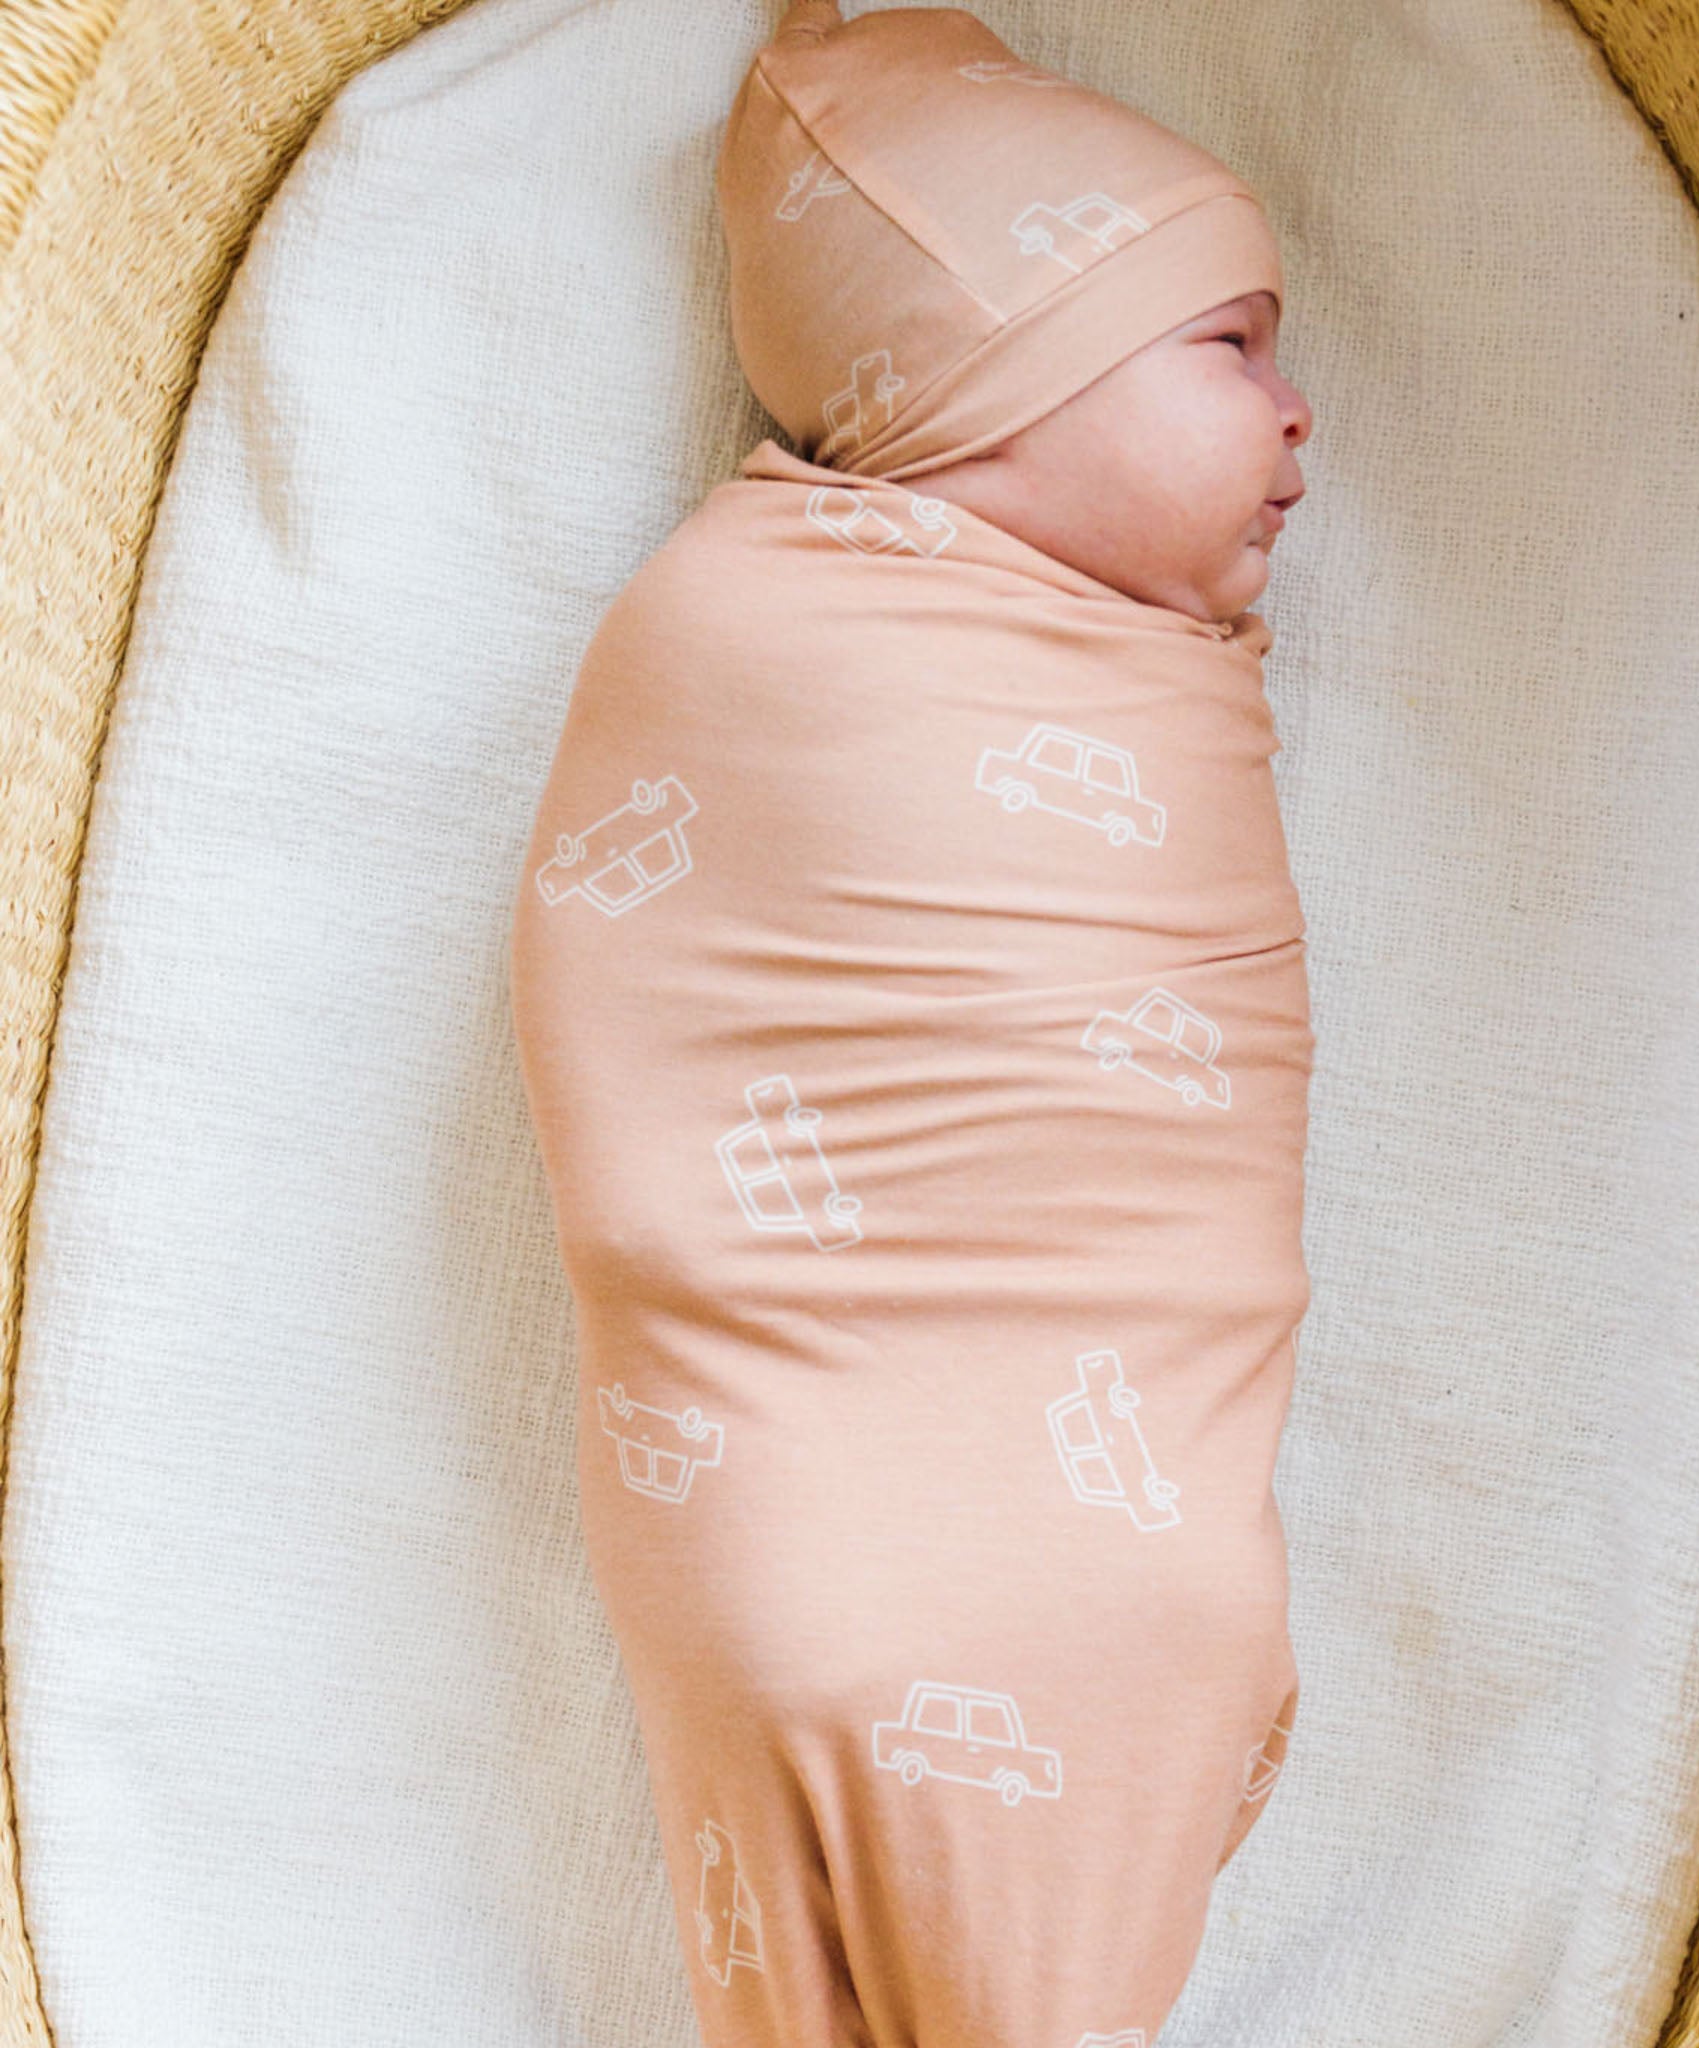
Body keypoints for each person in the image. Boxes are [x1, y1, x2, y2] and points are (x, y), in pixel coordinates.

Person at [509, 6, 1314, 2042]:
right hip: (805, 1441)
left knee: (1167, 1617)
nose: (1300, 414)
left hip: (1132, 1463)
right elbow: (657, 1001)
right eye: (1232, 348)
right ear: (996, 376)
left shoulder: (1124, 649)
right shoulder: (766, 626)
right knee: (867, 1646)